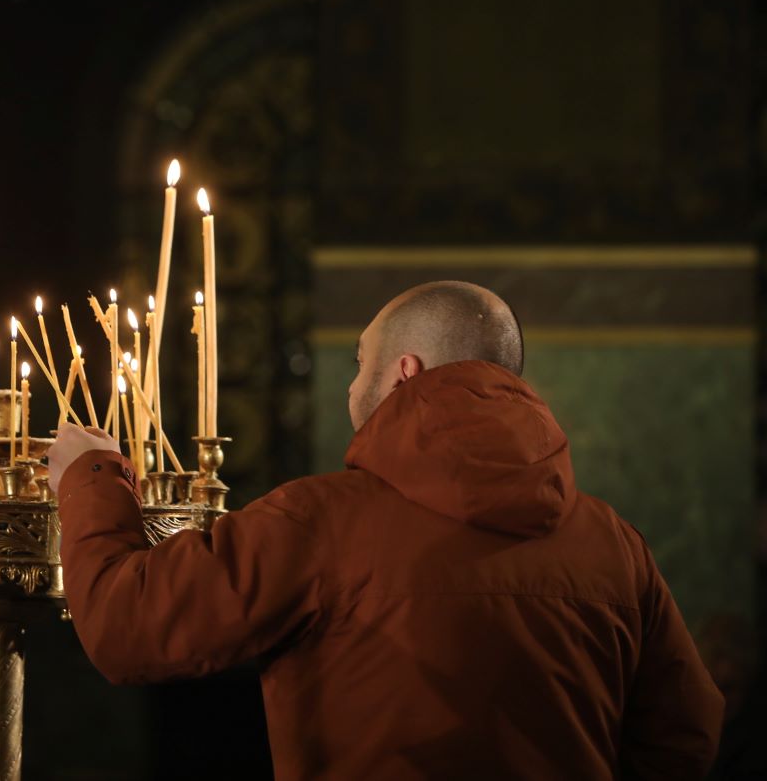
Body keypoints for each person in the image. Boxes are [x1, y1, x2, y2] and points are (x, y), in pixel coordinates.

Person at [48, 280, 724, 780]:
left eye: (358, 362)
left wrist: (90, 478)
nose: (351, 389)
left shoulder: (323, 520)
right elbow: (685, 733)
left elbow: (129, 625)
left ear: (404, 373)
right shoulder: (614, 542)